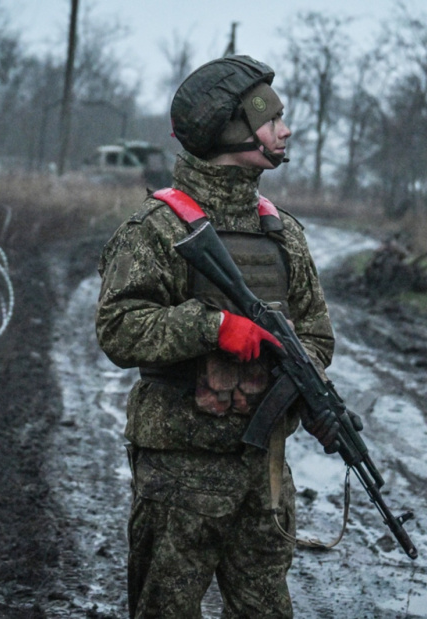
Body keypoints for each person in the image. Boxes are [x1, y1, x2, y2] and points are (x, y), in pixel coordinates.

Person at [95, 55, 338, 618]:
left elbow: (318, 337)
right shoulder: (155, 231)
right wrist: (214, 328)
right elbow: (118, 328)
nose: (286, 129)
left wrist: (291, 364)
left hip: (264, 477)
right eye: (271, 119)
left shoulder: (284, 234)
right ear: (233, 130)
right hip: (179, 474)